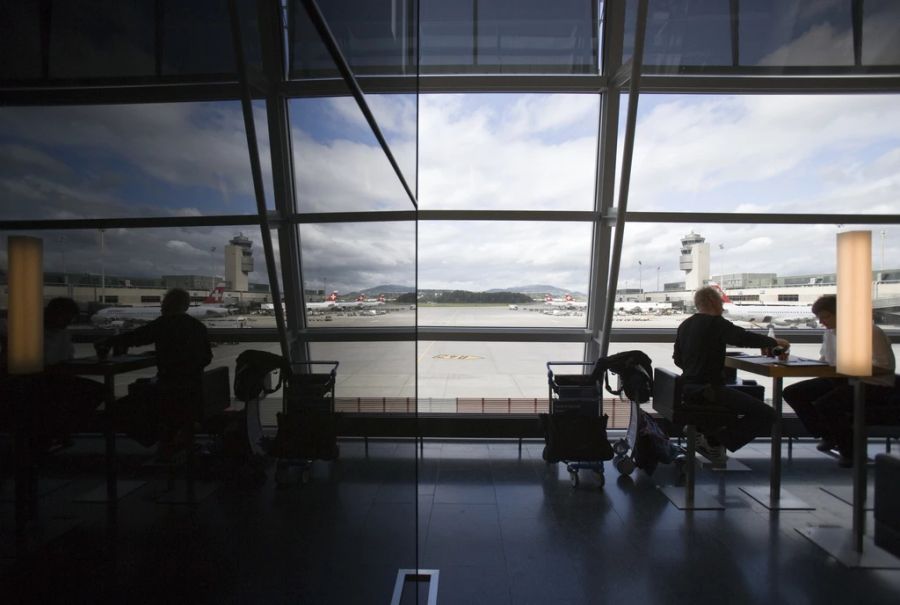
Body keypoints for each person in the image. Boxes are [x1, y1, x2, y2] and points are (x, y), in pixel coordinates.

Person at [674, 286, 790, 466]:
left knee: (744, 399)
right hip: (709, 390)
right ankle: (715, 442)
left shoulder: (686, 324)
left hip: (689, 388)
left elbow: (678, 359)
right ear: (714, 302)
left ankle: (709, 437)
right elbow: (743, 338)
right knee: (767, 414)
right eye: (720, 302)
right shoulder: (716, 323)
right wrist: (775, 342)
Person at [783, 294, 896, 467]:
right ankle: (827, 434)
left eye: (825, 317)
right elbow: (826, 361)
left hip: (874, 384)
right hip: (842, 378)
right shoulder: (830, 333)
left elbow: (886, 367)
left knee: (828, 404)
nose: (822, 322)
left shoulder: (870, 332)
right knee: (792, 393)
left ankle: (849, 452)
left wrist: (848, 369)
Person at [102, 288, 212, 457]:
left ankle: (160, 441)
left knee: (119, 408)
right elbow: (206, 357)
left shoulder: (163, 324)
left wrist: (109, 342)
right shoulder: (198, 326)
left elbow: (136, 337)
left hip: (169, 389)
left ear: (167, 304)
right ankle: (171, 439)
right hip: (193, 391)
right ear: (186, 305)